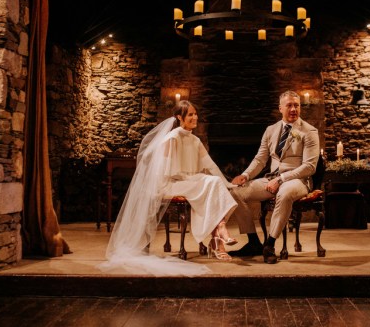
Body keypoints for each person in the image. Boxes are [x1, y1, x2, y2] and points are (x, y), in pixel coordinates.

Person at [98, 100, 238, 276]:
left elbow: (211, 166)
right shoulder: (172, 138)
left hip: (189, 181)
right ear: (179, 117)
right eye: (190, 114)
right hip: (170, 183)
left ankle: (220, 230)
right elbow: (165, 171)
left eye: (196, 114)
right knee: (210, 183)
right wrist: (192, 178)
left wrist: (228, 184)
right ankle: (219, 235)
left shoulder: (195, 139)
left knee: (214, 182)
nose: (195, 117)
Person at [229, 91, 319, 264]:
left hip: (298, 180)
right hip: (272, 178)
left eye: (296, 105)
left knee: (284, 193)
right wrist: (246, 175)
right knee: (236, 192)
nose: (293, 109)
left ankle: (269, 245)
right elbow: (260, 159)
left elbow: (309, 167)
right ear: (280, 108)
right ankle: (253, 242)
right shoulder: (270, 130)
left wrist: (281, 179)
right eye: (289, 105)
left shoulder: (309, 131)